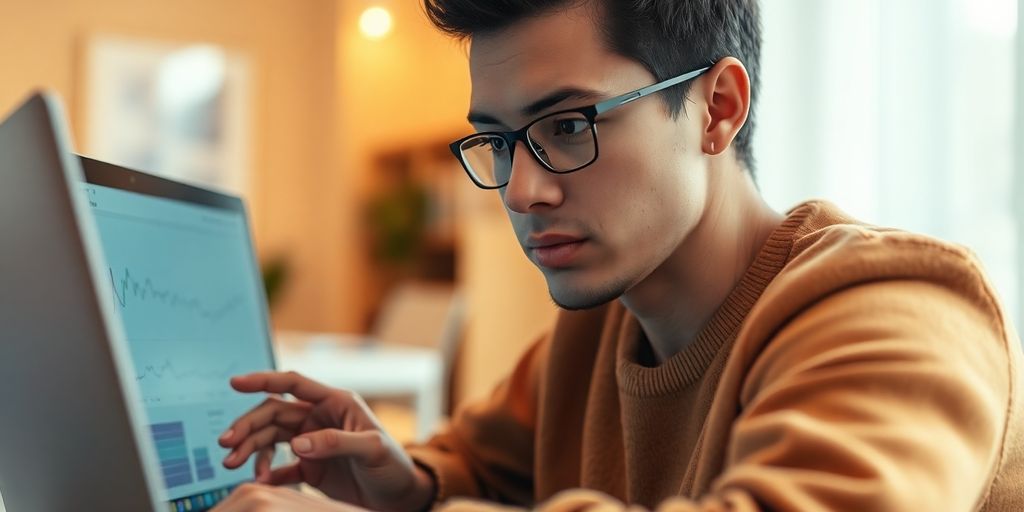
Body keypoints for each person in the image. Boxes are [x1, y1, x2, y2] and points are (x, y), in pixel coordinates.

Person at [212, 0, 1024, 510]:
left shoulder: (902, 308)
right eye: (496, 140)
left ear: (718, 108)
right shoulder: (598, 335)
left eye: (568, 126)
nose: (521, 191)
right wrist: (409, 485)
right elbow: (476, 460)